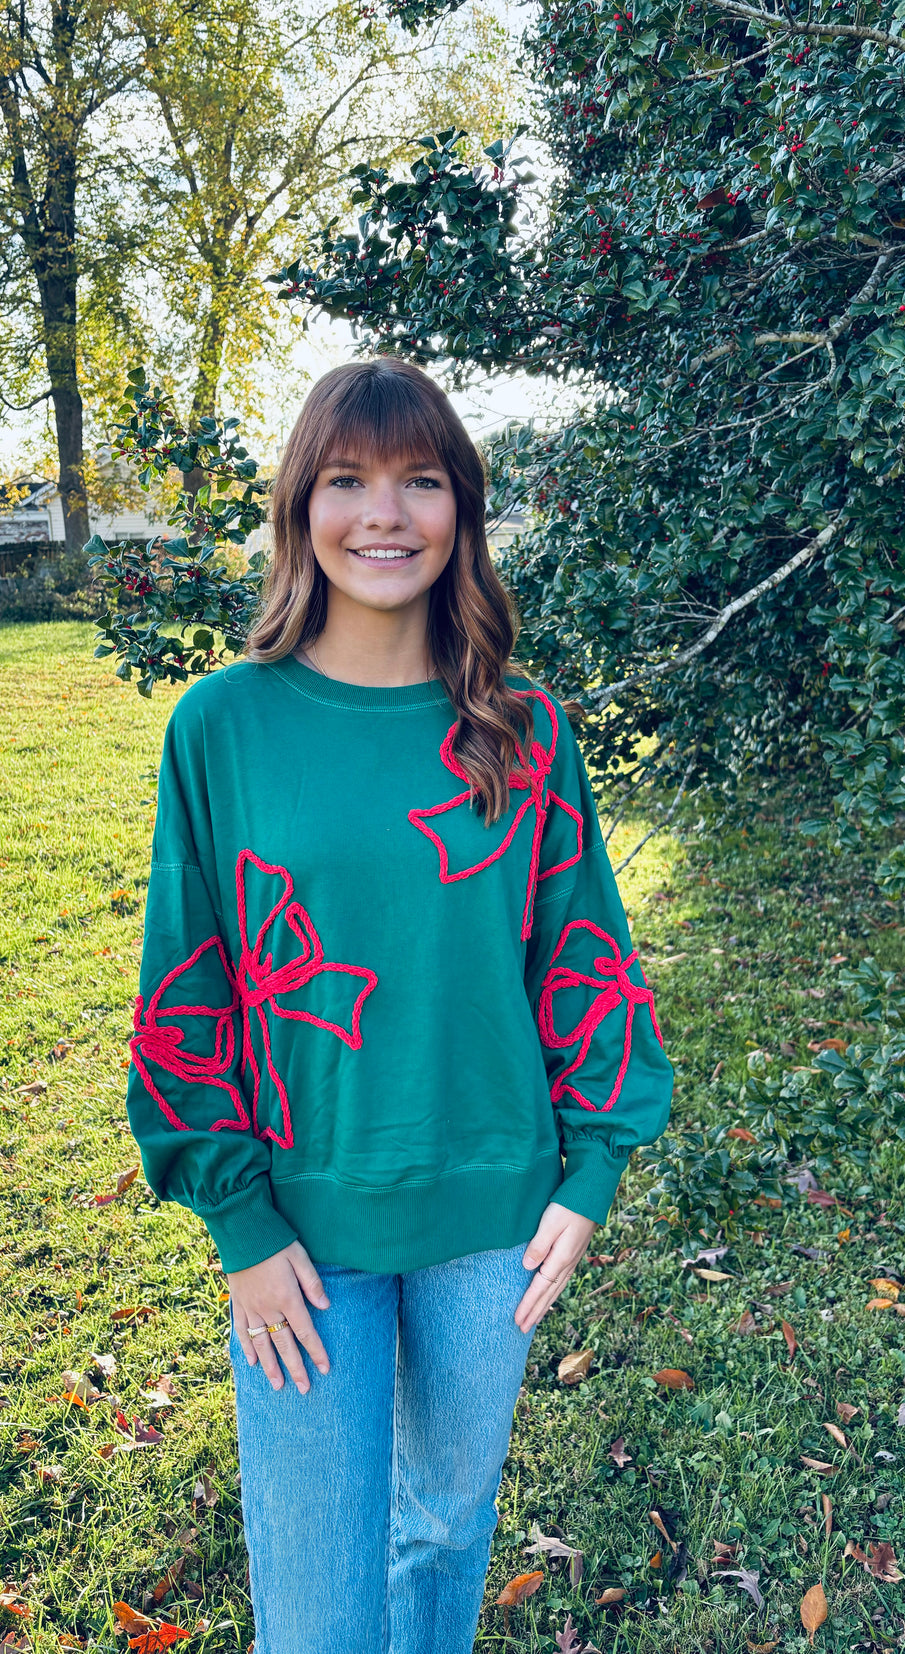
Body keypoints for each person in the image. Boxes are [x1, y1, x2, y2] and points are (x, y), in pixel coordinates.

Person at [124, 355, 674, 1653]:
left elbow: (582, 951)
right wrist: (239, 1222)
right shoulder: (224, 725)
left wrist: (590, 1174)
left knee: (440, 1538)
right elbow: (183, 986)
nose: (386, 513)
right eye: (349, 479)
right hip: (301, 1235)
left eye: (421, 480)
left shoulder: (522, 725)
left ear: (462, 511)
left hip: (494, 1220)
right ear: (300, 507)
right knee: (316, 1617)